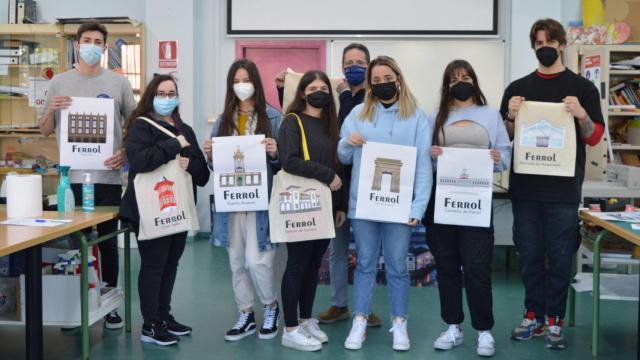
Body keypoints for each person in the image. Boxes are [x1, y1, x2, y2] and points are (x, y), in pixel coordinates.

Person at [500, 18, 604, 350]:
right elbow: (506, 137)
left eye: (550, 42)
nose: (544, 47)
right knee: (529, 256)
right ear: (533, 46)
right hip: (526, 190)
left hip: (562, 192)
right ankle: (533, 315)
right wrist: (511, 116)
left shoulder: (583, 89)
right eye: (538, 42)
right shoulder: (517, 88)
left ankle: (556, 320)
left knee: (559, 258)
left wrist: (581, 115)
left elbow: (595, 136)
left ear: (561, 44)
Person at [38, 21, 135, 330]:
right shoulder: (60, 83)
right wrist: (51, 108)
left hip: (106, 177)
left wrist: (126, 153)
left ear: (104, 48)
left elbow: (134, 125)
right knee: (73, 245)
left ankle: (109, 305)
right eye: (87, 40)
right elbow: (44, 128)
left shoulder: (118, 84)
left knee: (107, 243)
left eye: (98, 41)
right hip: (71, 179)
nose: (92, 45)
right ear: (77, 45)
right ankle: (76, 303)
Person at [338, 55, 432, 351]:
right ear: (369, 85)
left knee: (397, 266)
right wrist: (346, 143)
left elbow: (423, 166)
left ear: (398, 79)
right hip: (365, 206)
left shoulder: (417, 117)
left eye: (386, 79)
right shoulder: (357, 115)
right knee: (364, 263)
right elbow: (343, 157)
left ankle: (400, 323)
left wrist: (417, 207)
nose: (381, 84)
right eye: (375, 81)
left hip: (400, 208)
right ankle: (360, 321)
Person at [427, 60, 511, 357]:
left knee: (476, 266)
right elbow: (427, 160)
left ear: (474, 80)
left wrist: (496, 157)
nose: (459, 82)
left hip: (476, 200)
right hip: (443, 199)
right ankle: (453, 326)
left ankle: (484, 330)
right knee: (448, 266)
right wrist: (432, 154)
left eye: (464, 77)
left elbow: (505, 155)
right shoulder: (436, 116)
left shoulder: (490, 115)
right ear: (446, 85)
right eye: (453, 79)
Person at [119, 74, 210, 346]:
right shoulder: (140, 126)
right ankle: (150, 324)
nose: (167, 98)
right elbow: (140, 161)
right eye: (162, 93)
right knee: (154, 265)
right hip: (149, 210)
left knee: (171, 264)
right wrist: (173, 146)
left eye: (172, 93)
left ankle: (163, 316)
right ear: (151, 96)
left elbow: (203, 174)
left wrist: (189, 165)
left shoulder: (187, 129)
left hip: (178, 208)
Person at [204, 59, 282, 342]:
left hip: (260, 202)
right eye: (236, 81)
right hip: (231, 201)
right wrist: (210, 154)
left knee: (257, 261)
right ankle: (246, 312)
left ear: (256, 83)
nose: (241, 86)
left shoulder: (273, 117)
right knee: (236, 261)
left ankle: (271, 305)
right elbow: (214, 165)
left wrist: (275, 153)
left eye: (246, 79)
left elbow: (284, 163)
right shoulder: (224, 120)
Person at [312, 43, 382, 328]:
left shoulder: (378, 98)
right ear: (342, 67)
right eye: (350, 62)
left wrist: (345, 95)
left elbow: (353, 126)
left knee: (368, 251)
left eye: (361, 62)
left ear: (369, 65)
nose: (355, 66)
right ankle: (339, 304)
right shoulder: (330, 97)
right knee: (338, 248)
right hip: (338, 182)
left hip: (369, 184)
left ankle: (366, 307)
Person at [278, 70, 346, 352]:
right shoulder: (292, 122)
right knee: (297, 263)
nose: (319, 92)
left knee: (313, 265)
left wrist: (340, 203)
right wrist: (326, 175)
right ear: (303, 92)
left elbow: (339, 164)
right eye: (313, 87)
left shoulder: (332, 125)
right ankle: (290, 328)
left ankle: (305, 319)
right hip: (301, 203)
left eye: (324, 88)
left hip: (327, 205)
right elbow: (289, 161)